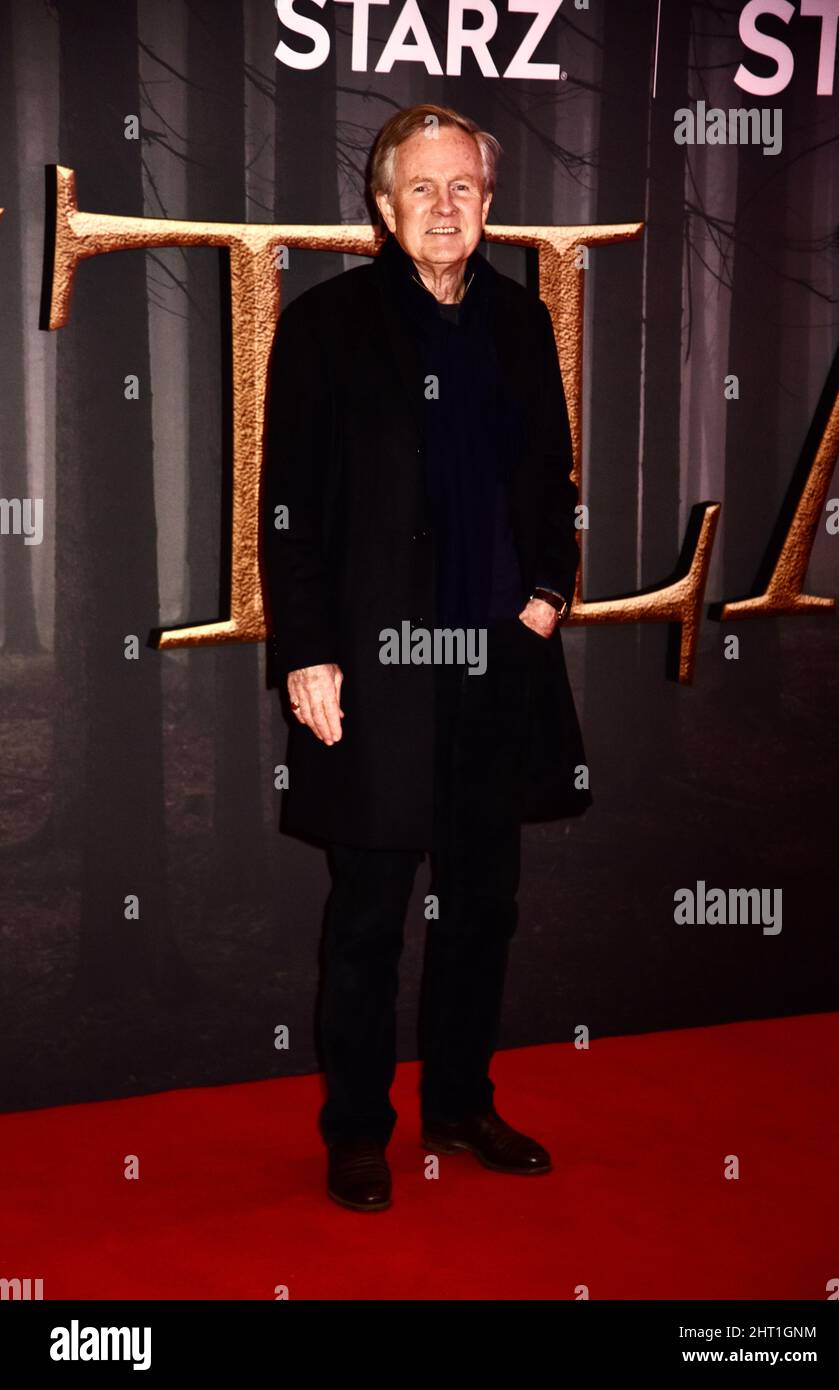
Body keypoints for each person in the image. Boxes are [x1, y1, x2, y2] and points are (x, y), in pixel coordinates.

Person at [262, 104, 591, 1213]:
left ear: (488, 204)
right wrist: (306, 651)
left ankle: (460, 1101)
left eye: (465, 189)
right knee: (367, 912)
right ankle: (357, 1129)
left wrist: (549, 595)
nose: (444, 208)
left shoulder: (522, 322)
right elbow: (289, 511)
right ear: (382, 202)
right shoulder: (324, 327)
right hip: (380, 669)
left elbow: (553, 476)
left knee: (484, 903)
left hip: (499, 664)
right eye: (423, 189)